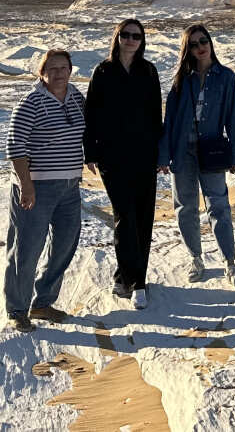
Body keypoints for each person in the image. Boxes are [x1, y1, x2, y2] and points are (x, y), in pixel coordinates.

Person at [158, 22, 235, 290]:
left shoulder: (226, 76)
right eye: (194, 44)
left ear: (211, 43)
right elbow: (170, 120)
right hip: (182, 152)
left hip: (212, 150)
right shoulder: (181, 79)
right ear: (187, 49)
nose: (200, 47)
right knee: (185, 207)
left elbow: (233, 117)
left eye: (204, 41)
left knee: (219, 206)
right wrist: (163, 155)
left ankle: (229, 263)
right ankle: (195, 259)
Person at [2, 47, 86, 332]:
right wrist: (26, 185)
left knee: (65, 246)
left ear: (71, 71)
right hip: (36, 187)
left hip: (70, 185)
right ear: (42, 73)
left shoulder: (76, 97)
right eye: (53, 69)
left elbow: (88, 131)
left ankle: (43, 302)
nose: (59, 73)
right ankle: (17, 309)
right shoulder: (31, 102)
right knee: (26, 249)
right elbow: (15, 146)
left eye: (64, 68)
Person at [84, 18, 163, 309]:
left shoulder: (148, 70)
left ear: (142, 41)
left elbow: (157, 114)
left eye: (137, 36)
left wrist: (161, 152)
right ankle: (135, 282)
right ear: (117, 37)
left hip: (144, 155)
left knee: (143, 217)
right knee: (124, 216)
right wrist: (89, 151)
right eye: (126, 35)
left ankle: (130, 276)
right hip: (112, 157)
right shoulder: (103, 71)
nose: (131, 40)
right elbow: (90, 111)